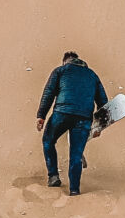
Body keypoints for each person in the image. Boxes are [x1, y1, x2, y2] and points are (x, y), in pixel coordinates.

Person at [36, 51, 108, 195]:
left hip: (62, 113)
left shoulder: (60, 71)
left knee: (48, 141)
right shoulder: (92, 75)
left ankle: (53, 176)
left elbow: (48, 93)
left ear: (65, 61)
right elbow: (103, 103)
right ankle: (74, 190)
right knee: (76, 154)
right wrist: (100, 126)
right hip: (83, 118)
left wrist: (41, 115)